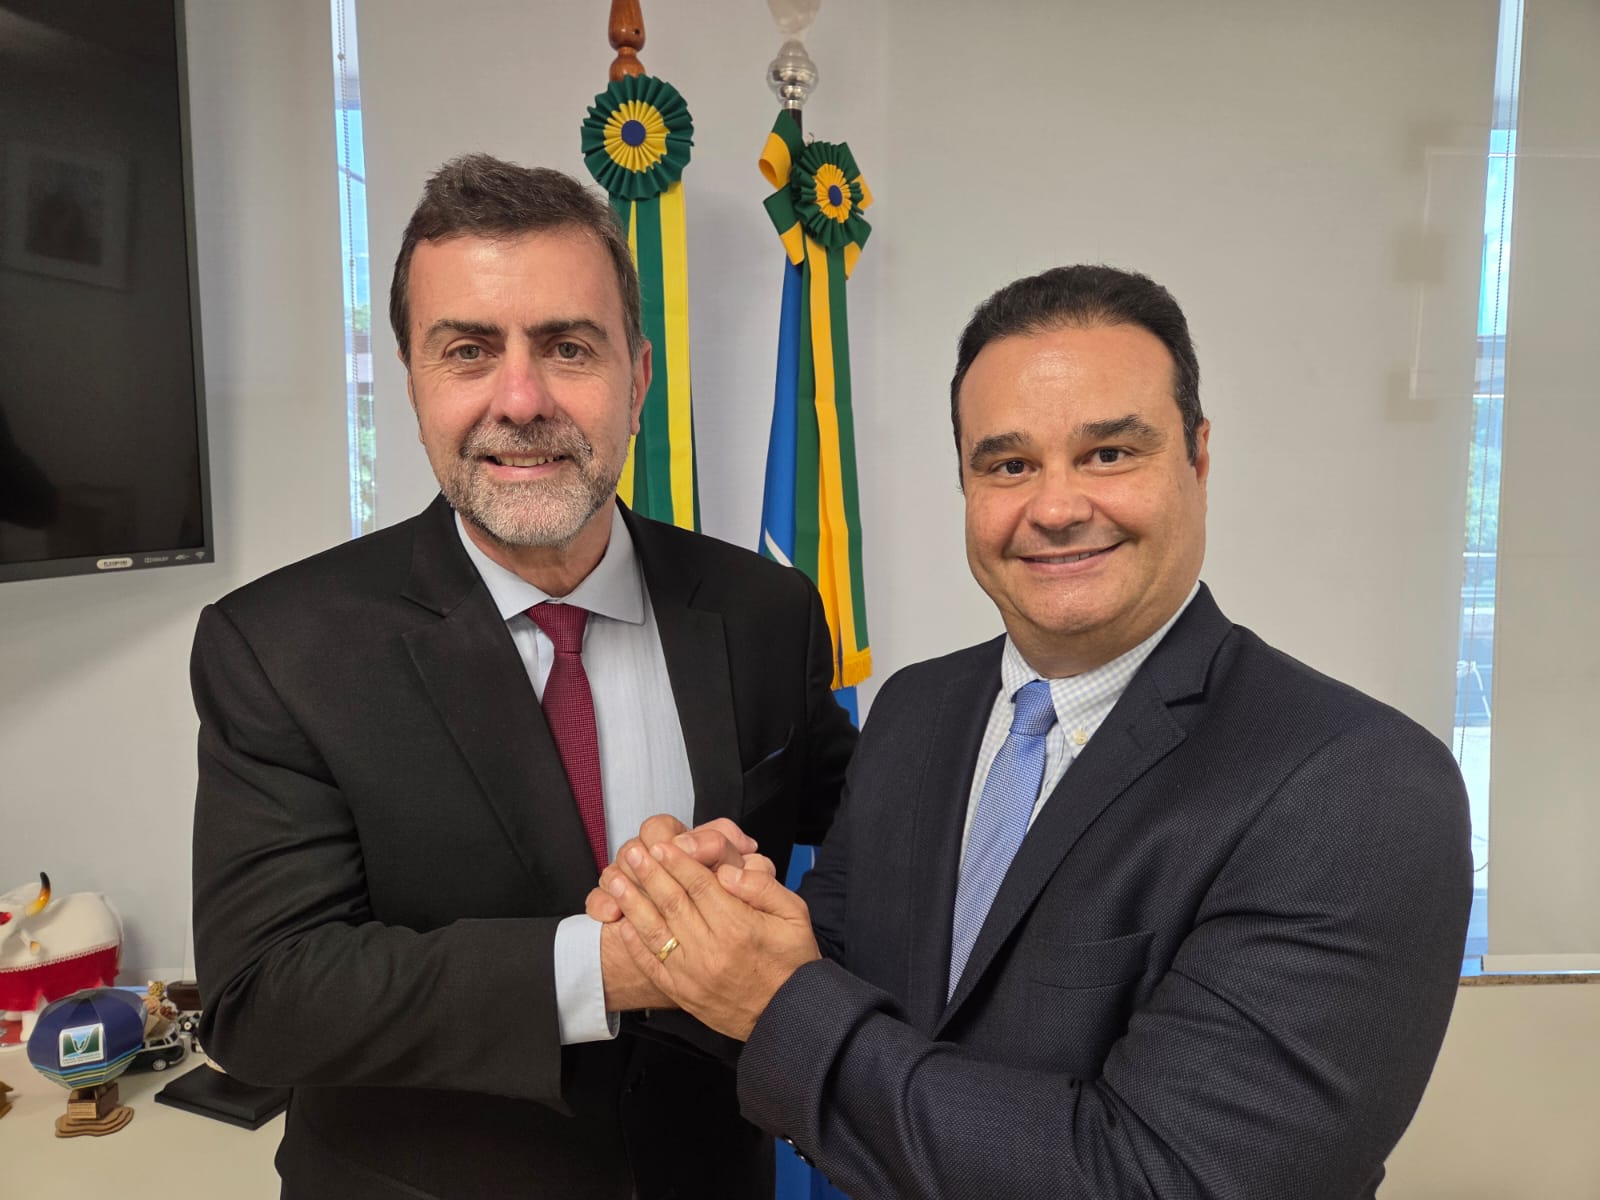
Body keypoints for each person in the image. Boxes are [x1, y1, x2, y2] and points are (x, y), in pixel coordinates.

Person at [597, 265, 1474, 1199]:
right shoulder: (916, 711)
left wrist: (776, 999)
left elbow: (1159, 1181)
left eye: (1109, 453)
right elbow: (830, 975)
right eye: (1009, 465)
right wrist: (693, 916)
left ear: (1198, 459)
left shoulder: (1361, 789)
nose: (1055, 508)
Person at [189, 154, 856, 1200]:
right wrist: (623, 963)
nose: (521, 399)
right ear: (413, 382)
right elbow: (262, 999)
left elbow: (876, 849)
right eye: (467, 351)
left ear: (638, 378)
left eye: (567, 347)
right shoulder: (277, 647)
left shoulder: (765, 610)